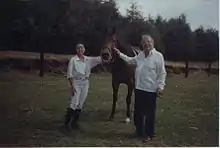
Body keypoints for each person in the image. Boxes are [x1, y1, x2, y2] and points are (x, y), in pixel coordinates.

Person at [113, 34, 167, 141]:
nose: (146, 44)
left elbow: (162, 73)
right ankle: (139, 132)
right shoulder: (141, 55)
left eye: (149, 42)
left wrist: (161, 86)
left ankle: (149, 134)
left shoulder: (158, 56)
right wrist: (119, 54)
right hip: (139, 89)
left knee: (149, 114)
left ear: (153, 43)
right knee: (138, 113)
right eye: (144, 42)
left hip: (151, 90)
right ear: (141, 44)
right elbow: (130, 60)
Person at [64, 43, 102, 131]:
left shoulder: (88, 60)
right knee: (74, 102)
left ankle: (75, 122)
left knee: (80, 103)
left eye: (82, 48)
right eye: (78, 48)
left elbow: (101, 59)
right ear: (76, 50)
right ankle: (66, 123)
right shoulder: (73, 60)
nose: (80, 50)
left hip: (85, 82)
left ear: (84, 49)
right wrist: (72, 86)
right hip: (76, 82)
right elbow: (69, 75)